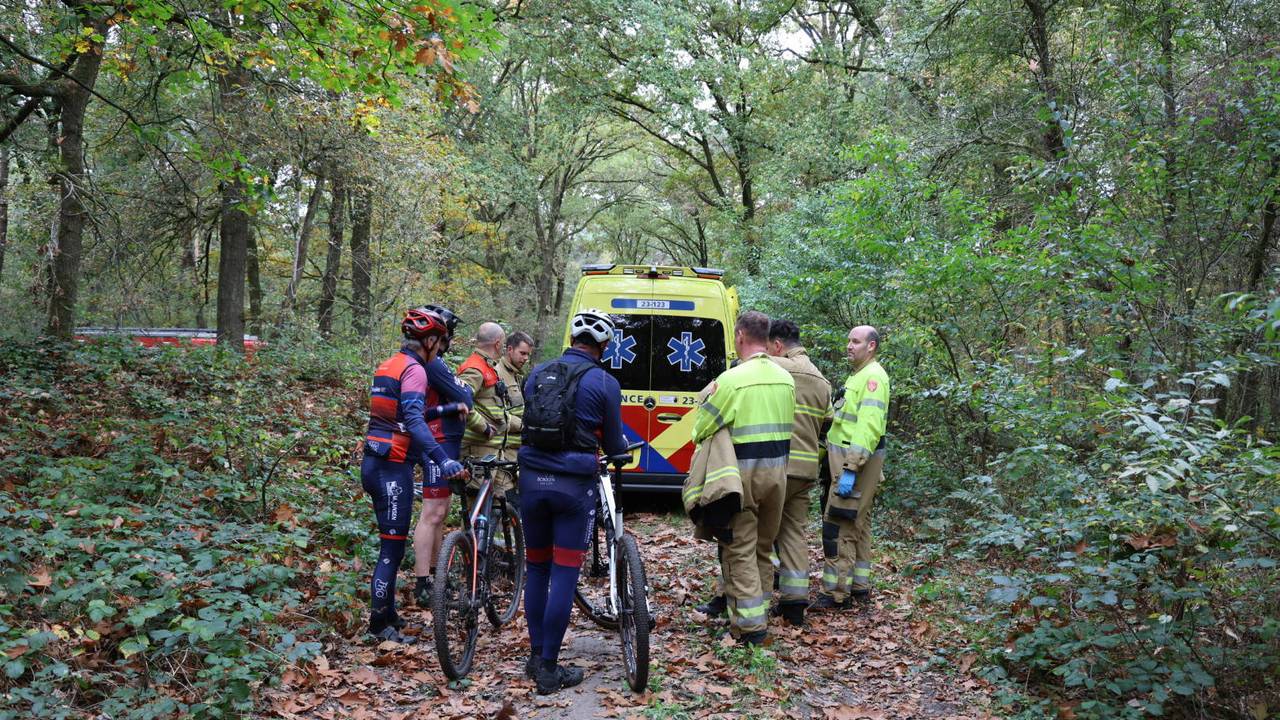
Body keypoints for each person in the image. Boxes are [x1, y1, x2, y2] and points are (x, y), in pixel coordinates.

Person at [518, 309, 627, 693]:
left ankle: (535, 657)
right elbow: (613, 442)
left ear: (572, 339)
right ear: (603, 345)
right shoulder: (604, 382)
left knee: (537, 568)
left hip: (531, 482)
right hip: (573, 489)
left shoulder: (537, 373)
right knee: (564, 573)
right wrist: (619, 451)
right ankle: (549, 669)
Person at [361, 308, 466, 643]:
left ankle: (389, 613)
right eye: (441, 341)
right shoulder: (416, 370)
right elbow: (414, 420)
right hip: (392, 467)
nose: (442, 349)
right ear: (430, 340)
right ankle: (378, 625)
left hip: (375, 462)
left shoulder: (390, 364)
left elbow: (402, 415)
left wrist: (446, 408)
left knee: (391, 545)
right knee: (391, 549)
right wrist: (442, 460)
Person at [689, 311, 795, 645]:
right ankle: (759, 612)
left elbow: (701, 429)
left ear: (740, 336)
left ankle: (750, 629)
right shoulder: (785, 379)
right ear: (767, 338)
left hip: (743, 475)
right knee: (764, 547)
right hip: (778, 474)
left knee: (740, 549)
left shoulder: (731, 380)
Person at [815, 325, 890, 609]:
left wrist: (851, 467)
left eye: (855, 341)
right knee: (859, 524)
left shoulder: (873, 378)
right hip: (849, 463)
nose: (849, 346)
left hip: (853, 466)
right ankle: (859, 586)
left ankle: (836, 593)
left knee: (839, 524)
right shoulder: (858, 375)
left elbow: (868, 427)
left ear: (871, 346)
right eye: (848, 340)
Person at [764, 319, 832, 626]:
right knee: (793, 533)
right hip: (805, 470)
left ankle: (749, 601)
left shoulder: (772, 367)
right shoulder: (821, 379)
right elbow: (827, 424)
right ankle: (794, 603)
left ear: (777, 345)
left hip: (774, 465)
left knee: (757, 533)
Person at [411, 304, 473, 605]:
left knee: (440, 513)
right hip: (437, 439)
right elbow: (465, 395)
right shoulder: (433, 364)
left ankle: (436, 578)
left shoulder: (435, 361)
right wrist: (455, 401)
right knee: (432, 512)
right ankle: (423, 583)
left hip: (445, 439)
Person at [457, 322, 511, 490]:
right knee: (476, 500)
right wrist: (483, 427)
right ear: (498, 343)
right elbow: (459, 400)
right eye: (503, 343)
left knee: (495, 498)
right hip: (477, 449)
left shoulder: (487, 365)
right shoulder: (475, 368)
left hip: (491, 449)